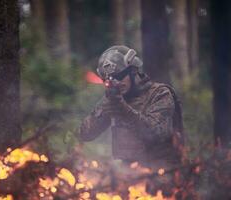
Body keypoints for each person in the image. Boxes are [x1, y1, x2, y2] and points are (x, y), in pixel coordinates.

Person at [78, 45, 184, 196]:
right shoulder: (114, 99)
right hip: (129, 175)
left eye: (120, 76)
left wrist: (124, 111)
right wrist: (108, 106)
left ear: (134, 71)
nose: (116, 82)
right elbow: (85, 133)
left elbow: (155, 133)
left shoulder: (160, 94)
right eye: (109, 79)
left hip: (162, 175)